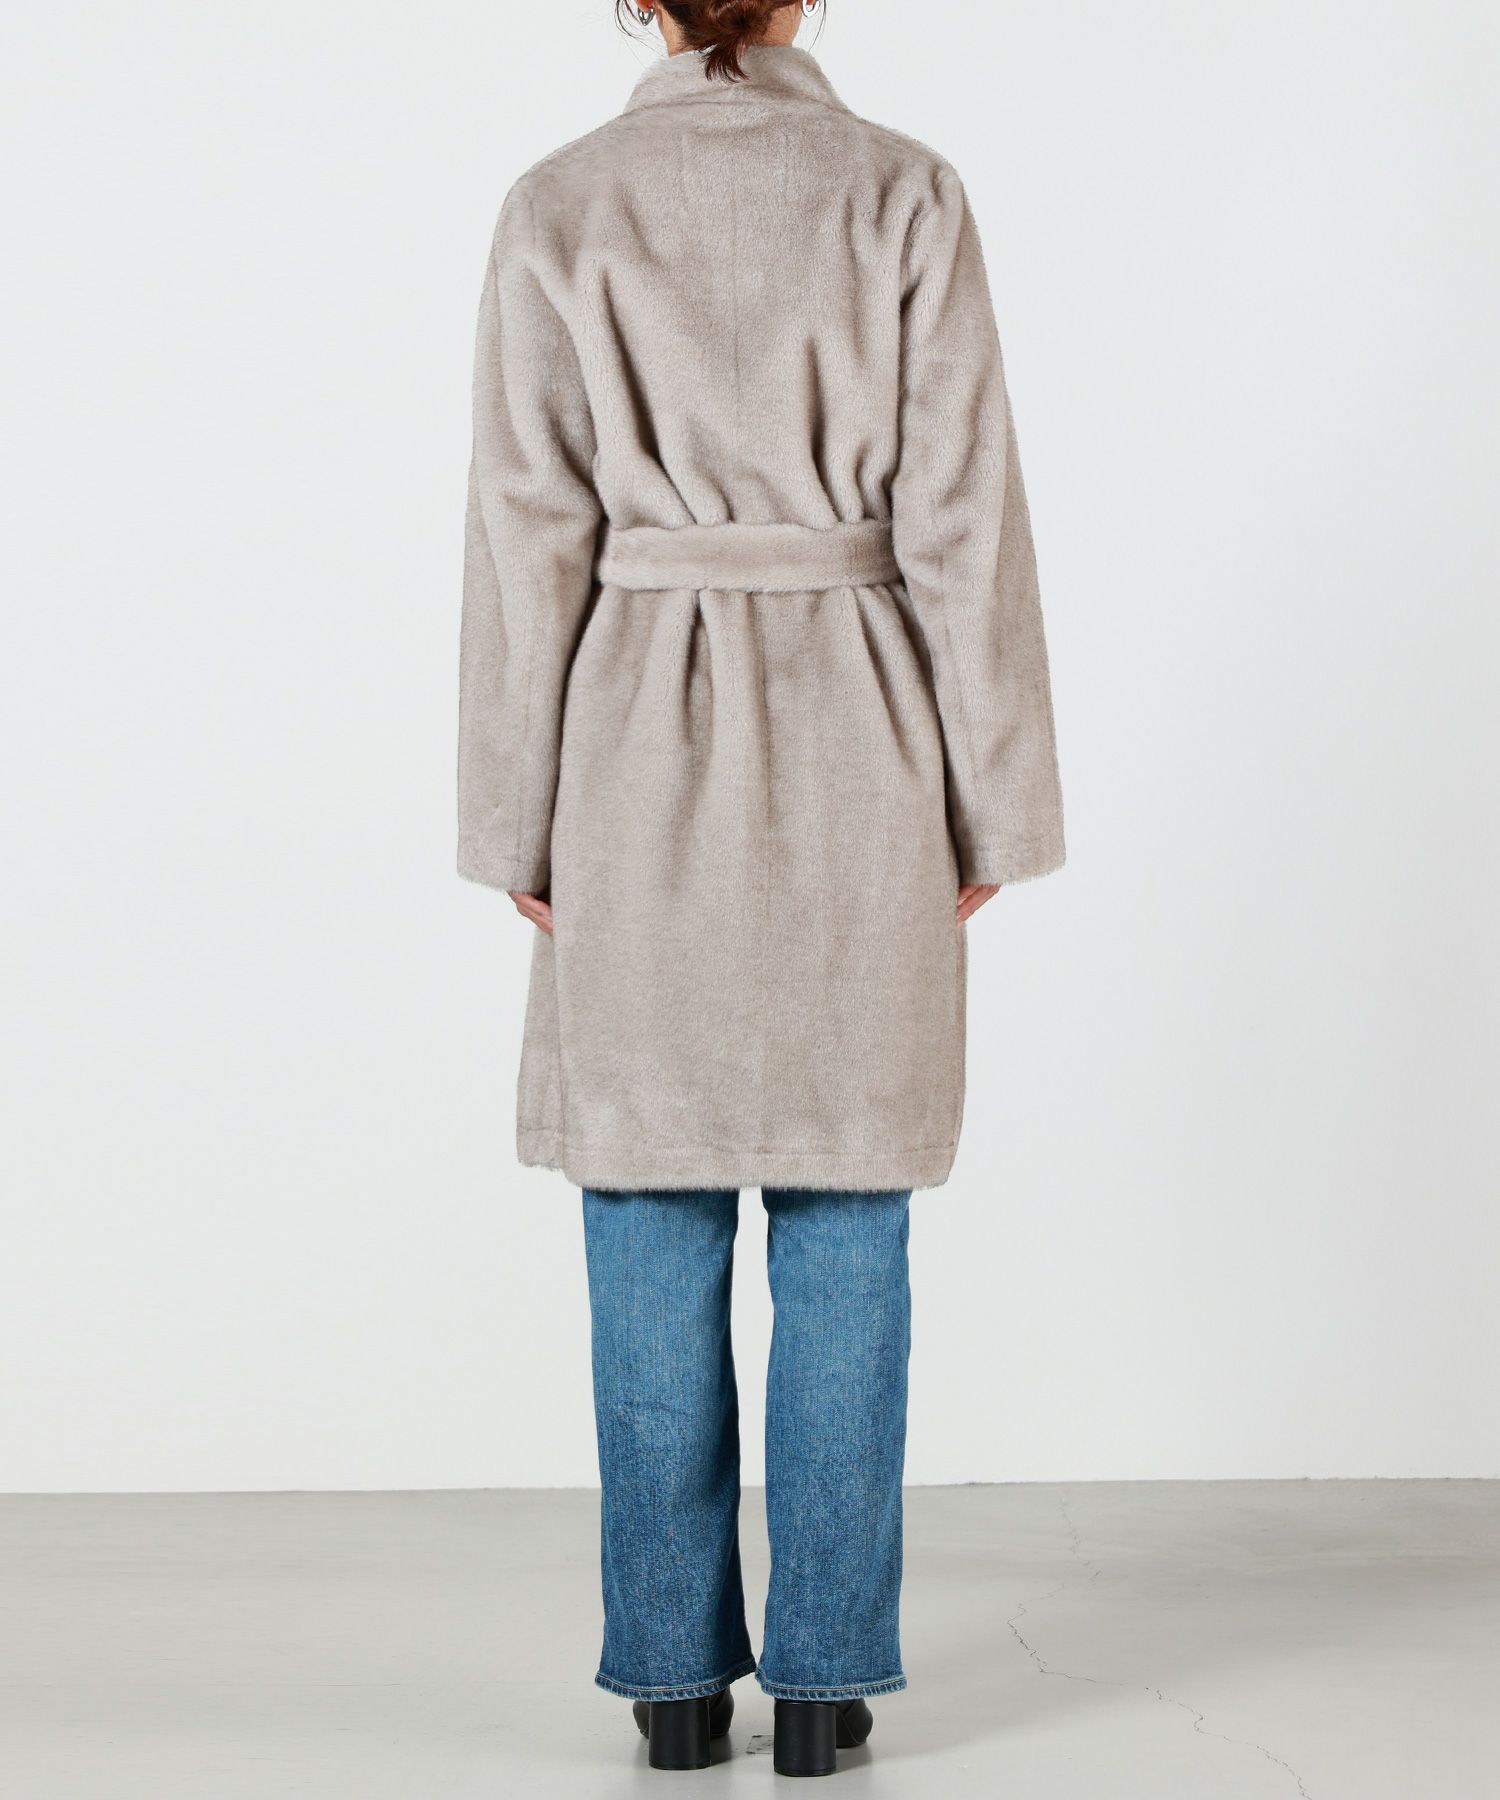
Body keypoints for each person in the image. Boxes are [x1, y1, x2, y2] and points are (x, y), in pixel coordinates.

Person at [457, 0, 1065, 1776]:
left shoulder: (561, 202)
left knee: (646, 1209)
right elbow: (962, 519)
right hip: (867, 729)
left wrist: (514, 819)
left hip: (630, 741)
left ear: (641, 3)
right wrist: (993, 805)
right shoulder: (903, 192)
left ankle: (668, 1686)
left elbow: (527, 530)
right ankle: (820, 1686)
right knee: (849, 1210)